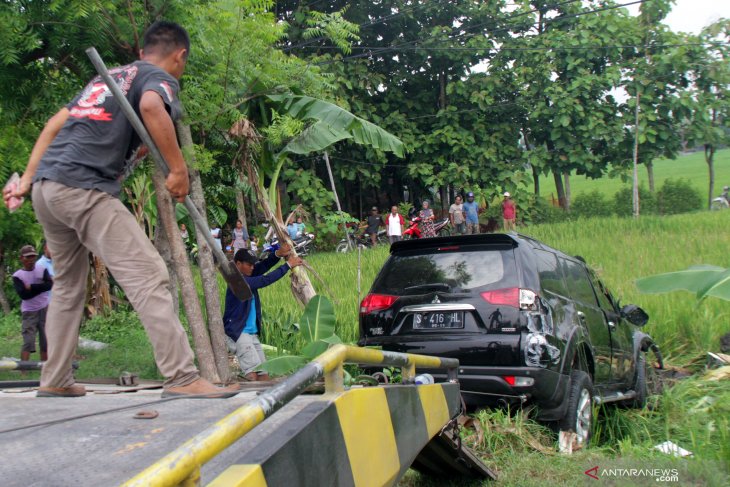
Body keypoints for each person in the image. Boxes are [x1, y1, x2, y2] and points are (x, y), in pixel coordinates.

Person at [3, 21, 237, 398]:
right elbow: (150, 106)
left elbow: (54, 124)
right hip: (84, 189)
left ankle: (56, 379)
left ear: (142, 50)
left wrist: (27, 179)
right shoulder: (158, 77)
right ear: (180, 56)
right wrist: (178, 170)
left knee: (65, 288)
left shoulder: (106, 80)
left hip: (48, 189)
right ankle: (181, 377)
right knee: (149, 275)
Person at [223, 244, 303, 381]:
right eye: (249, 264)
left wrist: (277, 254)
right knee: (252, 374)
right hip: (240, 332)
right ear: (238, 264)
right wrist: (287, 265)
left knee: (264, 374)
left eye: (253, 265)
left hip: (252, 333)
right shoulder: (237, 281)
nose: (253, 267)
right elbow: (264, 279)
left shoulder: (248, 273)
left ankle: (264, 401)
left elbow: (263, 266)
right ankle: (250, 400)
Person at [12, 245, 52, 363]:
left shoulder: (41, 269)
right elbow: (24, 295)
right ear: (21, 258)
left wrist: (32, 287)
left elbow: (50, 285)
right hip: (29, 311)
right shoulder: (17, 276)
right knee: (28, 341)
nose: (31, 260)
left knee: (45, 339)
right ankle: (23, 370)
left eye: (33, 257)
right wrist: (40, 288)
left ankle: (45, 367)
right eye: (28, 257)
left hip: (44, 307)